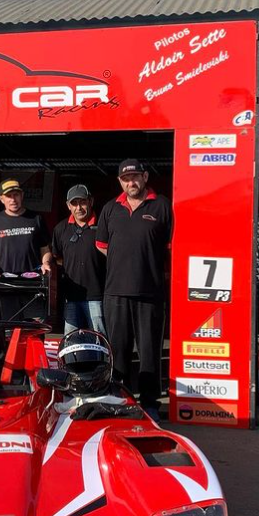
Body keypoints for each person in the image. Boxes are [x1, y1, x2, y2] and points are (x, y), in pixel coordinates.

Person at [95, 159, 173, 421]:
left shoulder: (161, 205)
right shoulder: (110, 209)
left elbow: (170, 245)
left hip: (150, 292)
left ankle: (150, 404)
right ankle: (119, 398)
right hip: (115, 291)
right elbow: (102, 245)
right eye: (126, 179)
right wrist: (124, 262)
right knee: (118, 350)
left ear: (145, 176)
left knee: (150, 351)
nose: (132, 182)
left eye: (136, 177)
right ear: (120, 182)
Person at [0, 178, 51, 319]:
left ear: (22, 195)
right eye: (9, 196)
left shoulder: (36, 218)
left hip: (33, 288)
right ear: (1, 199)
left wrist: (46, 263)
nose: (13, 199)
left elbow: (46, 249)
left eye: (16, 194)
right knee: (8, 334)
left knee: (34, 333)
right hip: (5, 288)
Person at [48, 184, 106, 336]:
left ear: (91, 201)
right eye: (74, 203)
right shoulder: (60, 229)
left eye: (82, 202)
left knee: (100, 337)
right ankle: (75, 361)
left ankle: (104, 361)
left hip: (97, 296)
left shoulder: (103, 226)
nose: (79, 207)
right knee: (71, 338)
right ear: (68, 206)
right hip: (71, 297)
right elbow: (57, 258)